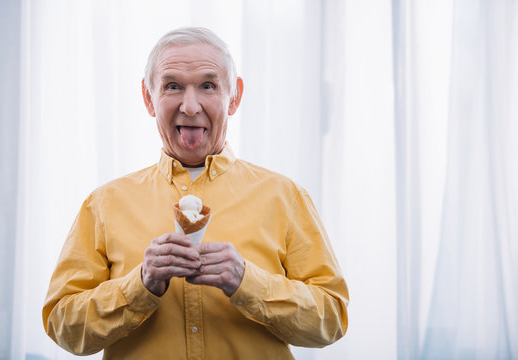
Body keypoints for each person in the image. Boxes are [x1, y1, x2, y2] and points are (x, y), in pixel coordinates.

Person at [43, 27, 349, 359]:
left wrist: (249, 283)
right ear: (149, 97)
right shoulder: (102, 205)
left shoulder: (286, 196)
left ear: (234, 96)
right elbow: (63, 327)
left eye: (208, 86)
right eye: (172, 86)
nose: (190, 107)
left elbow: (331, 319)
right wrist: (140, 285)